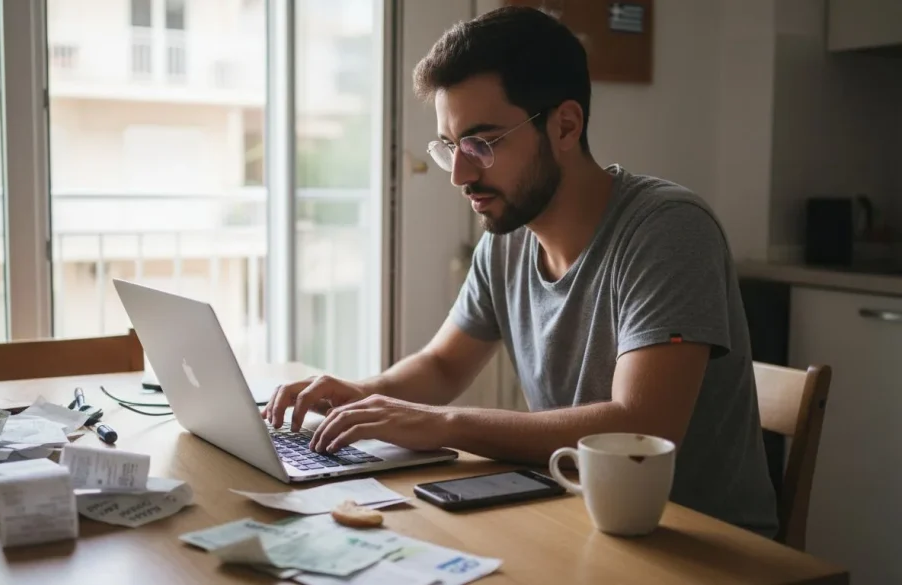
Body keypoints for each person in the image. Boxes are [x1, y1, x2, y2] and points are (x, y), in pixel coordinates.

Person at [262, 5, 778, 537]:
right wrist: (357, 397)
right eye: (449, 146)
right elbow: (442, 367)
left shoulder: (667, 229)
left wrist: (443, 424)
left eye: (482, 143)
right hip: (573, 518)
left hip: (702, 545)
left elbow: (641, 427)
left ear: (566, 125)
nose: (461, 174)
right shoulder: (506, 238)